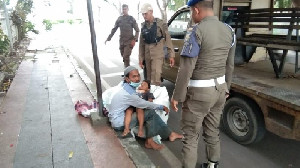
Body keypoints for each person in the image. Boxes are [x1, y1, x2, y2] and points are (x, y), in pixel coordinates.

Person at [170, 0, 236, 168]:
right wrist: (227, 86)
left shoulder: (196, 31)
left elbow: (186, 68)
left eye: (192, 11)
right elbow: (230, 64)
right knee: (213, 130)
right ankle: (213, 164)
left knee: (191, 136)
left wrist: (177, 96)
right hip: (220, 90)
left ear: (196, 10)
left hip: (199, 94)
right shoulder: (229, 31)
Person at [108, 66, 183, 150]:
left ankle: (169, 134)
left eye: (138, 75)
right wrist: (161, 107)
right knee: (150, 113)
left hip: (117, 119)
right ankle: (150, 141)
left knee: (146, 113)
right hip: (119, 123)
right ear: (127, 79)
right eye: (134, 77)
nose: (137, 79)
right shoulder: (129, 93)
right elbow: (144, 104)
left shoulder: (125, 87)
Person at [138, 3, 175, 86]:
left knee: (156, 77)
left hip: (157, 54)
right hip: (147, 55)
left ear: (151, 12)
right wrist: (141, 58)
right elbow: (141, 44)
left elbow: (167, 39)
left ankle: (156, 96)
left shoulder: (160, 23)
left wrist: (171, 55)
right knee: (148, 78)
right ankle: (150, 96)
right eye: (143, 14)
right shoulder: (143, 26)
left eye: (146, 14)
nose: (144, 16)